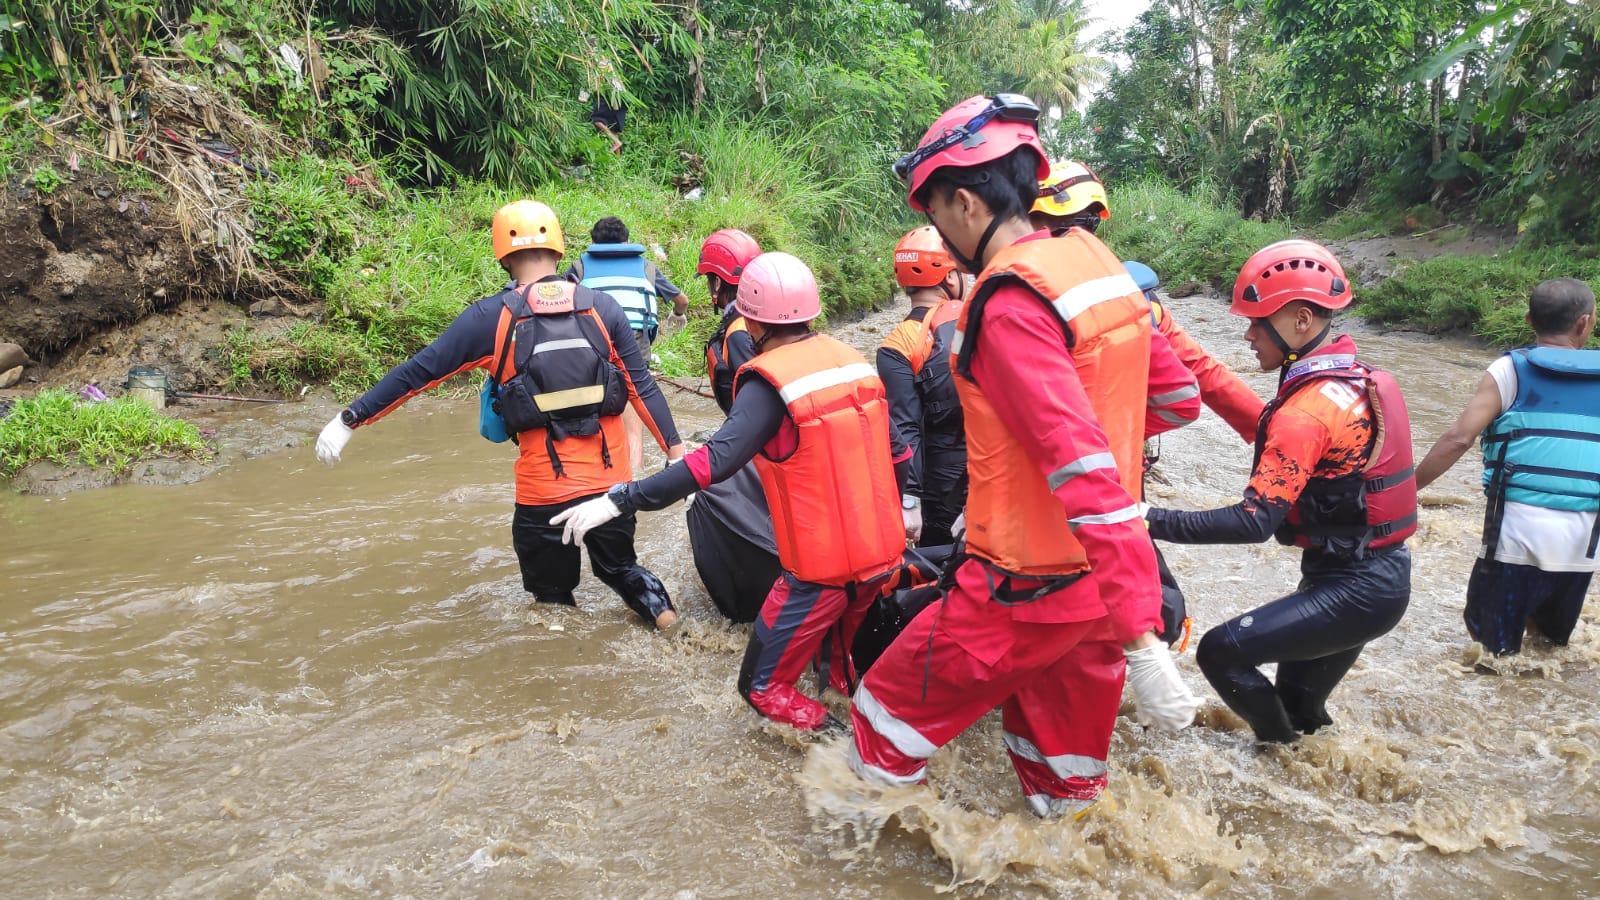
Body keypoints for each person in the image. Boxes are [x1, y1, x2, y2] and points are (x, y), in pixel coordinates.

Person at [847, 94, 1203, 820]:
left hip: (1017, 591)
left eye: (938, 214)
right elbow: (1175, 398)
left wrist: (1144, 637)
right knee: (1067, 776)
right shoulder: (1093, 260)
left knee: (879, 727)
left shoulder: (1005, 303)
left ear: (966, 203)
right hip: (1093, 596)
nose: (941, 236)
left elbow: (1076, 463)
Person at [551, 252, 917, 731]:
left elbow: (712, 463)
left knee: (762, 688)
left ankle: (848, 753)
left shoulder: (771, 385)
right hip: (882, 557)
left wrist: (620, 498)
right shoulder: (853, 363)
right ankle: (865, 734)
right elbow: (900, 459)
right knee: (837, 673)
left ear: (752, 318)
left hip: (819, 574)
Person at [313, 200, 687, 632]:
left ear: (503, 257)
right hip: (610, 485)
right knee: (621, 568)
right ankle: (665, 618)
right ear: (560, 250)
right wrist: (678, 457)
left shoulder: (491, 317)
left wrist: (349, 419)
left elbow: (416, 375)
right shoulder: (602, 308)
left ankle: (564, 664)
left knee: (552, 600)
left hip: (543, 492)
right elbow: (643, 388)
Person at [1145, 239, 1417, 743]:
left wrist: (1143, 518)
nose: (1247, 333)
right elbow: (1229, 393)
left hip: (1354, 587)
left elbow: (1253, 522)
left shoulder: (1305, 412)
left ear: (1300, 320)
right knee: (1301, 707)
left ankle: (1279, 754)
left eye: (1256, 319)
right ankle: (1303, 774)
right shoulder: (1349, 381)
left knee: (1219, 652)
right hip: (1376, 575)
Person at [1414, 278, 1600, 656]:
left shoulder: (1508, 371)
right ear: (1585, 323)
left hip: (1517, 533)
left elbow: (1458, 439)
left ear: (1530, 320)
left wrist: (1404, 491)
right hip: (1585, 540)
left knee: (1491, 651)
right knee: (1549, 646)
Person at [688, 228, 782, 622]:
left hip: (764, 450)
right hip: (759, 447)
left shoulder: (741, 333)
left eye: (711, 281)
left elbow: (759, 401)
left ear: (719, 283)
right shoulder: (744, 326)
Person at [566, 216, 690, 471]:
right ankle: (633, 479)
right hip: (634, 341)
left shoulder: (579, 267)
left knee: (592, 417)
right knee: (634, 423)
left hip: (591, 340)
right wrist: (678, 314)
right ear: (628, 242)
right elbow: (682, 300)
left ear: (592, 243)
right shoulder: (646, 267)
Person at [878, 225, 968, 547]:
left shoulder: (896, 345)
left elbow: (906, 429)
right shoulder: (980, 316)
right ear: (949, 277)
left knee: (941, 570)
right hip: (993, 473)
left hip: (938, 483)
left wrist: (910, 499)